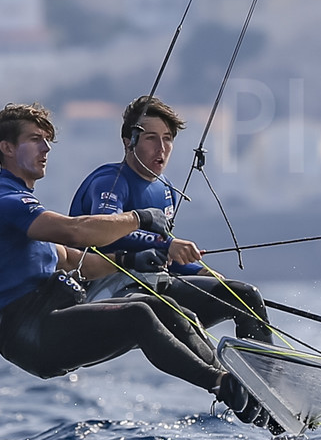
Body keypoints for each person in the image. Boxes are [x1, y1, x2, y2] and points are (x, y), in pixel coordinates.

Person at [0, 102, 268, 427]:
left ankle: (246, 391)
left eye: (48, 139)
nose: (46, 148)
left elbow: (72, 260)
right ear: (7, 148)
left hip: (51, 317)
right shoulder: (2, 202)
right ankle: (222, 385)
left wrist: (128, 260)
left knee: (164, 307)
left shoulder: (22, 205)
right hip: (27, 332)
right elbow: (76, 232)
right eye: (35, 139)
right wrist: (139, 218)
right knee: (139, 314)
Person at [68, 94, 274, 345]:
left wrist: (201, 271)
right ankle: (220, 378)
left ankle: (269, 373)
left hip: (149, 286)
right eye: (151, 138)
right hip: (100, 291)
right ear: (128, 142)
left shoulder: (166, 189)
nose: (161, 148)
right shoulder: (109, 182)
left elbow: (161, 255)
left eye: (167, 139)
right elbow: (106, 233)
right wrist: (167, 245)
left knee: (243, 296)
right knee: (187, 322)